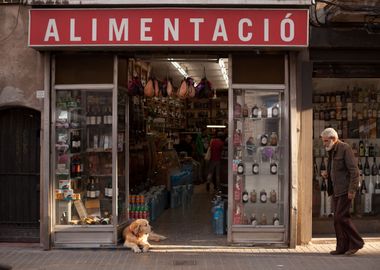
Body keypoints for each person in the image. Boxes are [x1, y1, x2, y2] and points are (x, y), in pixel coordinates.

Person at [320, 127, 364, 256]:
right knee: (337, 219)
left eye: (326, 141)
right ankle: (341, 247)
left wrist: (352, 190)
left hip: (345, 190)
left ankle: (356, 242)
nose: (324, 144)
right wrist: (328, 174)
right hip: (336, 190)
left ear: (334, 139)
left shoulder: (345, 148)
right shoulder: (331, 150)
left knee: (341, 217)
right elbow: (337, 169)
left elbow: (354, 172)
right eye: (323, 141)